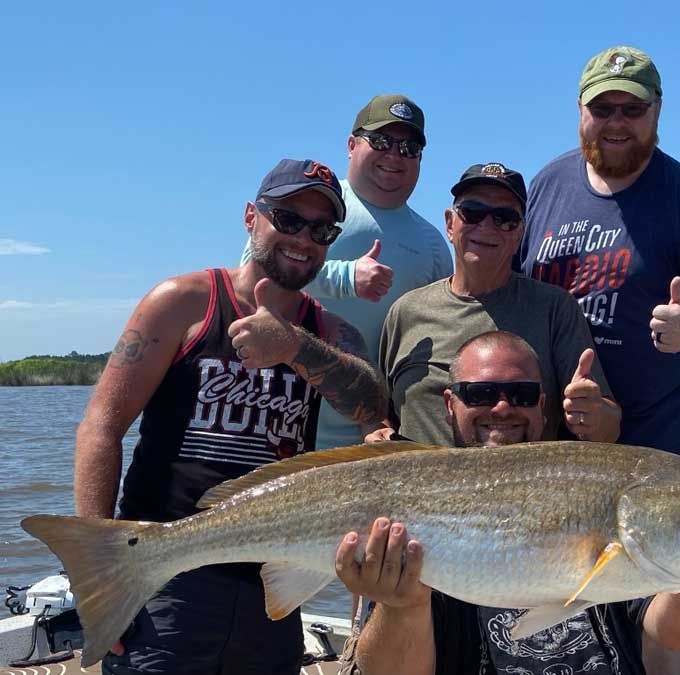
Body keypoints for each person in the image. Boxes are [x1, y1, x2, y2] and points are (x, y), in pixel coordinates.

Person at [75, 158, 388, 675]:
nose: (303, 239)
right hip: (168, 576)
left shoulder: (329, 333)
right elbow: (101, 427)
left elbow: (373, 406)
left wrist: (295, 348)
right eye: (288, 219)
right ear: (251, 216)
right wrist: (99, 573)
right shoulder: (185, 303)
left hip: (275, 575)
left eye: (321, 228)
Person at [335, 331, 680, 675]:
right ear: (450, 406)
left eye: (522, 394)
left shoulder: (606, 491)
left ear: (542, 406)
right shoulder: (406, 505)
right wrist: (402, 605)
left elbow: (672, 636)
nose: (503, 407)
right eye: (480, 394)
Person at [515, 44, 680, 674]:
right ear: (580, 111)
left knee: (660, 621)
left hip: (665, 440)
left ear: (657, 111)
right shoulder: (546, 186)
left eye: (632, 108)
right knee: (549, 599)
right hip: (569, 441)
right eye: (603, 108)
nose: (616, 122)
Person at [240, 94, 453, 450]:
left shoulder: (432, 243)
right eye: (382, 141)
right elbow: (253, 269)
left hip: (366, 437)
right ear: (351, 145)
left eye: (409, 147)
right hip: (268, 426)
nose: (394, 155)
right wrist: (346, 277)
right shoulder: (313, 201)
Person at [372, 162, 621, 446]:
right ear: (450, 224)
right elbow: (381, 413)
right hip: (420, 488)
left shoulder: (554, 309)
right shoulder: (406, 312)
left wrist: (594, 414)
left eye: (505, 218)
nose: (487, 226)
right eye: (472, 213)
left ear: (519, 235)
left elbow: (607, 429)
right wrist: (377, 431)